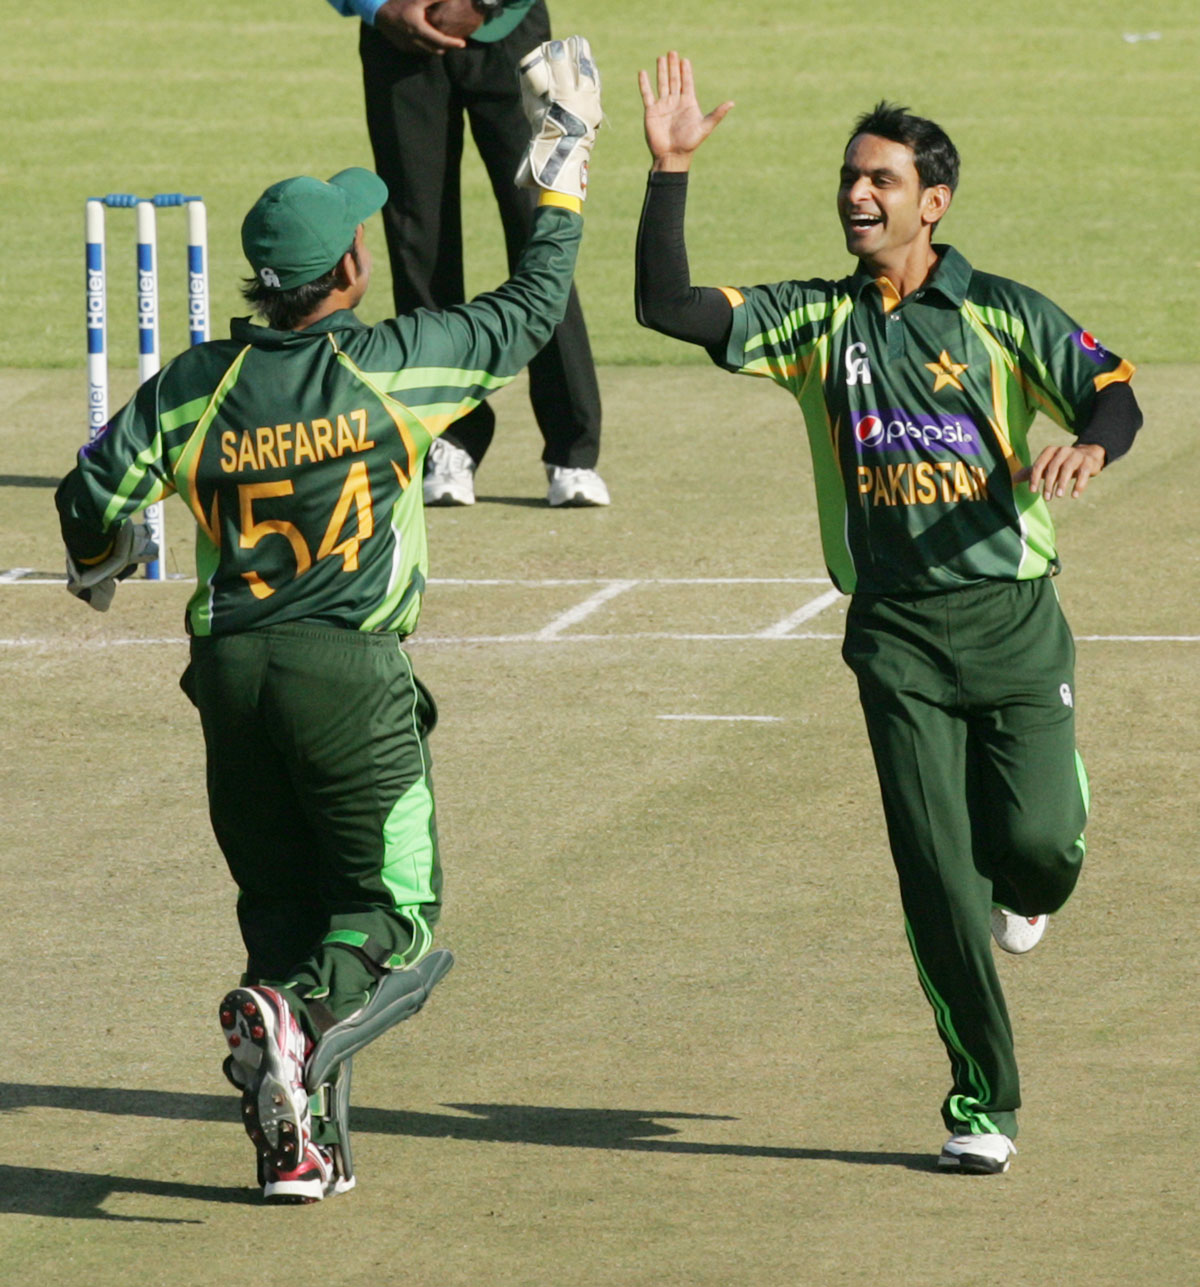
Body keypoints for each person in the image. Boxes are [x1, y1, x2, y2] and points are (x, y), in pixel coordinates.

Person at [56, 36, 602, 1203]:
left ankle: (299, 1148)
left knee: (286, 917)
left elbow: (88, 498)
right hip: (348, 677)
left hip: (229, 677)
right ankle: (295, 1025)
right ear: (348, 274)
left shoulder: (192, 387)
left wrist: (101, 561)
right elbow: (534, 303)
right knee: (394, 921)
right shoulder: (391, 368)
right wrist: (564, 156)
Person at [635, 52, 1142, 1174]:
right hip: (896, 639)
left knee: (1036, 849)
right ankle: (983, 1102)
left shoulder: (1003, 313)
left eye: (882, 180)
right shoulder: (818, 324)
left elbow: (1114, 388)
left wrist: (1089, 446)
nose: (858, 196)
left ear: (935, 201)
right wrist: (669, 172)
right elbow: (665, 307)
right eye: (850, 178)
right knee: (936, 878)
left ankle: (1041, 854)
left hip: (1014, 624)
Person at [323, 0, 610, 508]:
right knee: (419, 238)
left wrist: (480, 4)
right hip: (397, 39)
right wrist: (377, 8)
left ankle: (572, 450)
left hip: (508, 31)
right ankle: (447, 440)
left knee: (539, 225)